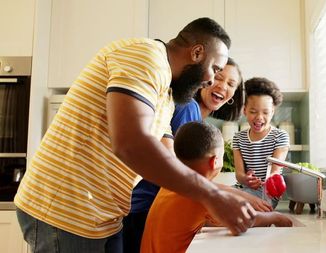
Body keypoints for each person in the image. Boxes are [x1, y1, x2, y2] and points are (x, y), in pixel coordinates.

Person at [14, 17, 256, 253]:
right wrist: (211, 195)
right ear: (196, 53)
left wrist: (226, 195)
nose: (211, 80)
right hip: (66, 210)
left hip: (104, 216)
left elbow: (168, 157)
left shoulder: (167, 95)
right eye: (214, 69)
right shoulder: (145, 57)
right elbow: (131, 143)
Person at [123, 58, 272, 253]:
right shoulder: (188, 109)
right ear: (205, 78)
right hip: (146, 208)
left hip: (145, 208)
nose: (222, 86)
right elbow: (188, 176)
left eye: (231, 84)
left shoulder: (193, 113)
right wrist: (242, 197)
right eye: (218, 77)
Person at [140, 122, 293, 253]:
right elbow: (245, 219)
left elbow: (211, 187)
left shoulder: (173, 184)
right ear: (215, 161)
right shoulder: (203, 199)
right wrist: (276, 217)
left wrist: (242, 194)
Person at [232, 77, 290, 209]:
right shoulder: (238, 138)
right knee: (217, 196)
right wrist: (246, 179)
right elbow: (239, 174)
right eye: (253, 111)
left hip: (266, 193)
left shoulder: (280, 136)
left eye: (265, 112)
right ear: (244, 110)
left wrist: (272, 181)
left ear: (273, 112)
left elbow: (275, 171)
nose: (259, 117)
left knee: (236, 205)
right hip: (242, 190)